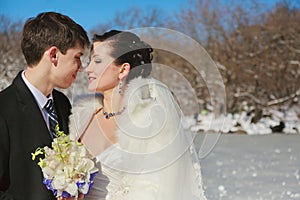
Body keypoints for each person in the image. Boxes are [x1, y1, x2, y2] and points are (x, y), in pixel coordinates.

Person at [69, 30, 207, 200]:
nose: (88, 68)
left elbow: (159, 188)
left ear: (123, 70)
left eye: (97, 61)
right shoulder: (82, 117)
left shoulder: (149, 120)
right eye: (90, 61)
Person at [0, 12, 90, 200]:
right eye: (77, 56)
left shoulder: (63, 104)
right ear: (54, 55)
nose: (81, 66)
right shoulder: (3, 109)